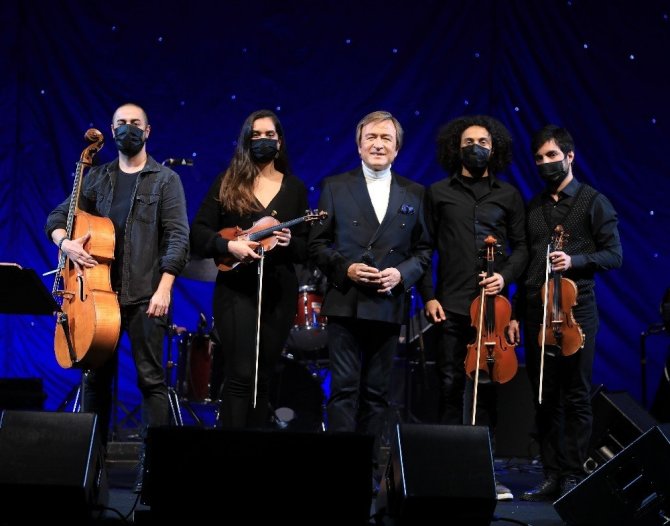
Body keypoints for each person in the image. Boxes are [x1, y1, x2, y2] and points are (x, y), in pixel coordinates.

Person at [45, 102, 190, 493]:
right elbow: (57, 217)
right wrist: (65, 242)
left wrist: (164, 288)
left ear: (148, 130)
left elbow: (178, 238)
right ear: (111, 131)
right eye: (121, 123)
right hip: (97, 298)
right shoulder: (97, 178)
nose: (128, 129)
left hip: (146, 296)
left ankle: (153, 474)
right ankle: (92, 473)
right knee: (95, 381)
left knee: (151, 382)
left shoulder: (165, 180)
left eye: (135, 123)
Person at [308, 110, 432, 483]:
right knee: (344, 389)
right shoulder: (335, 186)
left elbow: (424, 251)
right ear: (359, 146)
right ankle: (339, 472)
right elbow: (317, 244)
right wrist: (345, 268)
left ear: (397, 149)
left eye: (386, 138)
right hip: (345, 302)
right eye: (371, 138)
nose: (378, 144)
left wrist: (402, 274)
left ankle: (369, 475)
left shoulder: (415, 192)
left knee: (377, 393)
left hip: (387, 304)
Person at [507, 125, 623, 501]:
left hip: (576, 311)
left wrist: (575, 260)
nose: (545, 163)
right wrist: (514, 313)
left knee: (575, 395)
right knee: (544, 395)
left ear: (570, 156)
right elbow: (527, 264)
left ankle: (573, 474)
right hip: (535, 311)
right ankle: (551, 473)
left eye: (552, 156)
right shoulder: (534, 207)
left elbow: (614, 255)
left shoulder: (593, 202)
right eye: (539, 158)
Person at [416, 114, 527, 501]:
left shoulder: (509, 195)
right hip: (450, 305)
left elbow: (522, 248)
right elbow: (424, 247)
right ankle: (448, 471)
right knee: (449, 387)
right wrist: (428, 296)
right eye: (468, 142)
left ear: (494, 149)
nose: (475, 148)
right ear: (455, 147)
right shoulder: (437, 192)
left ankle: (486, 472)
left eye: (483, 142)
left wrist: (504, 277)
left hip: (494, 311)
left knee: (489, 391)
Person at [190, 109, 309, 429]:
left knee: (263, 376)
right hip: (236, 289)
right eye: (255, 135)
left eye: (269, 135)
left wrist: (289, 242)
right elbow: (198, 233)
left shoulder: (295, 188)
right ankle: (232, 449)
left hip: (278, 292)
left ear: (279, 142)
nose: (263, 140)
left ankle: (255, 449)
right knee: (241, 373)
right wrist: (228, 246)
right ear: (246, 141)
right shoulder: (227, 182)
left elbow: (307, 248)